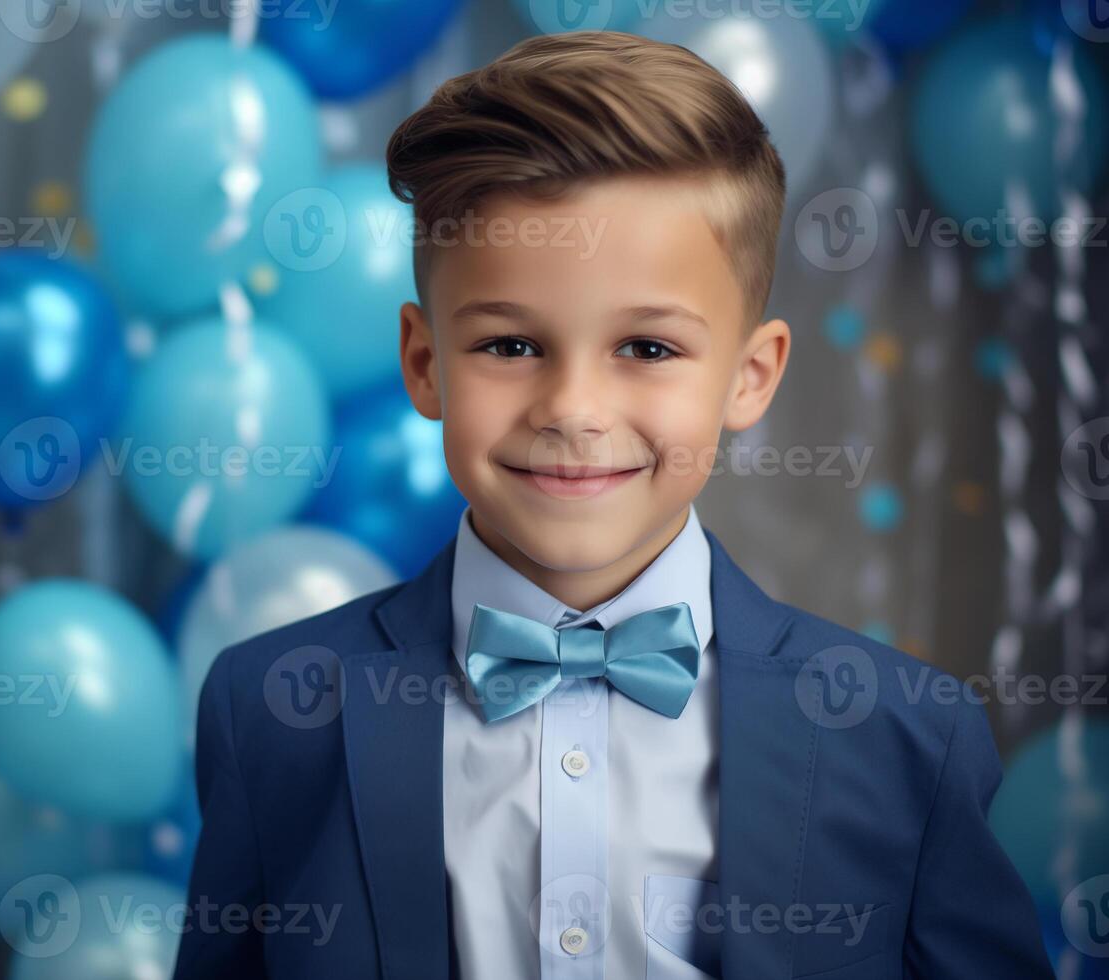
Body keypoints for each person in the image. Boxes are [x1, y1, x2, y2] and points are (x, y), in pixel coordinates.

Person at [172, 30, 1053, 980]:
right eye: (510, 347)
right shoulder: (273, 714)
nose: (573, 412)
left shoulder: (907, 737)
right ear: (424, 364)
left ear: (750, 378)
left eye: (647, 349)